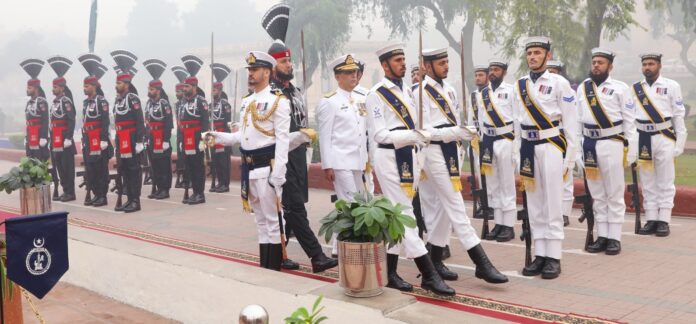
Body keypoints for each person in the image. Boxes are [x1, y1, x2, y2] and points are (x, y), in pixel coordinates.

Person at [365, 43, 455, 296]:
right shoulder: (376, 93)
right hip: (388, 157)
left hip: (411, 157)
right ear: (385, 65)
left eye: (404, 59)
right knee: (406, 216)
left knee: (397, 215)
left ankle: (391, 273)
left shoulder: (410, 91)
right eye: (397, 60)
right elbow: (380, 133)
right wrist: (413, 135)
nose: (403, 64)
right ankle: (429, 274)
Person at [414, 47, 508, 284]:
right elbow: (423, 131)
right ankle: (481, 262)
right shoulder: (419, 93)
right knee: (456, 204)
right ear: (427, 66)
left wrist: (462, 134)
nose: (446, 66)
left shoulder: (452, 90)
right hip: (433, 152)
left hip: (451, 152)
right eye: (441, 63)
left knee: (446, 210)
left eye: (447, 62)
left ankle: (435, 260)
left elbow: (455, 121)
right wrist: (454, 132)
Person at [208, 51, 290, 271]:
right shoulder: (246, 102)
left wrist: (279, 174)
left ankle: (273, 268)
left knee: (273, 221)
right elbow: (241, 136)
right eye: (249, 71)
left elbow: (283, 141)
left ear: (267, 72)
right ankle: (265, 267)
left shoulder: (278, 101)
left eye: (255, 70)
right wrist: (218, 137)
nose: (250, 74)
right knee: (260, 221)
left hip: (267, 167)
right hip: (248, 167)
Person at [267, 38, 337, 272]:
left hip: (297, 156)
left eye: (290, 60)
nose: (290, 65)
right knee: (295, 208)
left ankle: (276, 253)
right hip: (280, 156)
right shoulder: (270, 93)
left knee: (290, 209)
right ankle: (317, 257)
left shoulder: (294, 91)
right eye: (284, 61)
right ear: (273, 65)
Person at [515, 37, 577, 279]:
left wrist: (570, 157)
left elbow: (571, 122)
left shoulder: (559, 83)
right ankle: (539, 254)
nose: (532, 56)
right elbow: (515, 122)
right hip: (528, 147)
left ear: (547, 56)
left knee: (552, 202)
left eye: (537, 52)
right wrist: (515, 154)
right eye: (529, 52)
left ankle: (553, 256)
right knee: (535, 203)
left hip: (551, 145)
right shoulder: (518, 85)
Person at [575, 48, 637, 254]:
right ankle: (602, 235)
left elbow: (630, 121)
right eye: (594, 62)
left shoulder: (620, 88)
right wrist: (576, 150)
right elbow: (576, 120)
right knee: (598, 193)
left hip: (612, 142)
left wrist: (632, 150)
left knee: (614, 192)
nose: (596, 65)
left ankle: (614, 238)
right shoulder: (583, 88)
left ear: (610, 66)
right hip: (589, 145)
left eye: (601, 62)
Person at [317, 54, 369, 257]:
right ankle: (349, 245)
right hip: (340, 161)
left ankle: (339, 247)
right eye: (348, 73)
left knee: (356, 202)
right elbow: (325, 136)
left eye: (355, 72)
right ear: (337, 76)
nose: (353, 76)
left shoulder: (360, 99)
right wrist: (327, 165)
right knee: (349, 203)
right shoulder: (329, 102)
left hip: (358, 160)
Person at [633, 53, 687, 237]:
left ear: (659, 65)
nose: (647, 67)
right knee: (648, 182)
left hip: (664, 137)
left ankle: (664, 220)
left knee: (665, 180)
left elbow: (678, 115)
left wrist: (680, 142)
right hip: (642, 139)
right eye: (645, 64)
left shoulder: (671, 86)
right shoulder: (635, 89)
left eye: (651, 64)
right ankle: (651, 219)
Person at [477, 58, 519, 242]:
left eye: (496, 69)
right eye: (491, 70)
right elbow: (480, 120)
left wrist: (516, 147)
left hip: (506, 139)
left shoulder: (511, 91)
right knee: (493, 185)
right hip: (488, 141)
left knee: (506, 184)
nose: (493, 72)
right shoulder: (483, 94)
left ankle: (508, 226)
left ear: (504, 72)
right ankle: (498, 224)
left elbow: (517, 119)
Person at [111, 49, 146, 213]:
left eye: (119, 83)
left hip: (132, 139)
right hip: (121, 139)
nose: (116, 85)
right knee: (123, 170)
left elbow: (140, 121)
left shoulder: (133, 99)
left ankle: (135, 201)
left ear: (126, 84)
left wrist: (139, 141)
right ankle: (128, 198)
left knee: (134, 170)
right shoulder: (118, 100)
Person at [78, 54, 111, 207]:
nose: (84, 89)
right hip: (88, 139)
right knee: (90, 168)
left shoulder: (101, 101)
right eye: (84, 86)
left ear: (94, 86)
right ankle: (95, 194)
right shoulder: (86, 103)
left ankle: (102, 196)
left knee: (100, 169)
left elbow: (105, 122)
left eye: (87, 86)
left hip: (98, 139)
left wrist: (104, 139)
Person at [179, 55, 209, 205]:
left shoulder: (201, 101)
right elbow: (181, 122)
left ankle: (200, 194)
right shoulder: (183, 102)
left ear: (194, 87)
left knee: (198, 167)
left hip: (197, 138)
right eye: (184, 87)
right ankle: (193, 192)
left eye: (187, 87)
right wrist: (181, 141)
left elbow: (205, 122)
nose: (185, 89)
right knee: (189, 167)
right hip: (186, 139)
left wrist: (203, 141)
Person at [547, 60, 573, 227]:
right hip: (550, 136)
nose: (552, 74)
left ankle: (564, 212)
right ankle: (552, 211)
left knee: (566, 176)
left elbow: (572, 118)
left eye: (554, 71)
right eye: (549, 71)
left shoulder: (567, 90)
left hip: (563, 135)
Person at [48, 56, 77, 202]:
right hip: (56, 140)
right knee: (59, 167)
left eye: (55, 87)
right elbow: (52, 122)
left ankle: (70, 192)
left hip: (64, 140)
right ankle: (65, 191)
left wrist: (68, 138)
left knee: (67, 167)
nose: (53, 89)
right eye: (53, 87)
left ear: (62, 88)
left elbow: (71, 120)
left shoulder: (66, 102)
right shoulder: (54, 103)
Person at [143, 59, 174, 199]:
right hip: (151, 137)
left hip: (161, 137)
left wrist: (166, 139)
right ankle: (157, 187)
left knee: (163, 165)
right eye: (149, 89)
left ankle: (165, 189)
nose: (149, 91)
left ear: (158, 90)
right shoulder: (148, 103)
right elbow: (146, 122)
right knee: (154, 164)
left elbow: (168, 122)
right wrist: (145, 137)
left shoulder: (164, 104)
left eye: (152, 89)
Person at [20, 59, 50, 163]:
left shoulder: (42, 102)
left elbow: (45, 121)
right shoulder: (28, 102)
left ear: (36, 88)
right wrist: (26, 137)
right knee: (30, 161)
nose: (27, 90)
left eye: (29, 87)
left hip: (39, 136)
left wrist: (43, 137)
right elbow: (28, 122)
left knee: (40, 162)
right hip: (30, 135)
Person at [210, 63, 233, 193]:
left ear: (219, 91)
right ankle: (218, 182)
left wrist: (225, 136)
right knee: (216, 161)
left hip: (223, 134)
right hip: (214, 135)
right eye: (212, 90)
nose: (213, 92)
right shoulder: (210, 105)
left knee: (224, 161)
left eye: (215, 90)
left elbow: (228, 122)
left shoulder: (225, 105)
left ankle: (225, 184)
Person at [171, 66, 189, 189]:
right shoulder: (177, 104)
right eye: (176, 92)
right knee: (181, 157)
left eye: (179, 92)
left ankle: (188, 179)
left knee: (188, 158)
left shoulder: (187, 103)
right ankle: (182, 178)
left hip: (188, 133)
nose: (177, 94)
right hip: (180, 133)